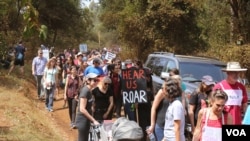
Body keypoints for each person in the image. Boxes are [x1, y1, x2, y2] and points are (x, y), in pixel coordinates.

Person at [75, 73, 100, 141]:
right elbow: (82, 109)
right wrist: (93, 120)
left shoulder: (89, 90)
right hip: (82, 120)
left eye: (97, 80)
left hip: (86, 120)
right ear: (88, 81)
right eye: (94, 80)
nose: (96, 82)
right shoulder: (85, 91)